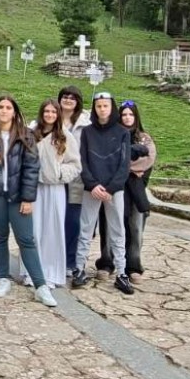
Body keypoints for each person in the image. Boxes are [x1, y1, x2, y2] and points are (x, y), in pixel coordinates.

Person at [0, 95, 57, 307]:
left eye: (8, 107)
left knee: (26, 239)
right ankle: (3, 277)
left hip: (18, 196)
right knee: (0, 237)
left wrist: (28, 198)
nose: (4, 110)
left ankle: (40, 285)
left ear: (14, 111)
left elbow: (32, 168)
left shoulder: (25, 135)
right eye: (0, 107)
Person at [71, 92, 134, 295]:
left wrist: (111, 188)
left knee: (117, 231)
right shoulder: (88, 132)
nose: (102, 109)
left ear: (111, 107)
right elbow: (83, 161)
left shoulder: (122, 132)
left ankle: (122, 273)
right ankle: (79, 268)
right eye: (98, 106)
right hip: (93, 188)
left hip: (113, 190)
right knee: (85, 229)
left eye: (105, 106)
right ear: (94, 108)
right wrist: (93, 184)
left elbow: (124, 164)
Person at [20, 99, 81, 288]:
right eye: (47, 111)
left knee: (53, 231)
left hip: (55, 189)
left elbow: (75, 164)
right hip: (35, 187)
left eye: (54, 112)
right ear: (42, 113)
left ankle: (51, 273)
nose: (50, 115)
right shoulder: (32, 133)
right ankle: (32, 272)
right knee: (34, 230)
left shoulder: (65, 136)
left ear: (58, 114)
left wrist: (59, 174)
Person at [119, 99, 156, 284]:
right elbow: (114, 158)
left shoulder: (144, 138)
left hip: (136, 187)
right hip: (118, 187)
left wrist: (126, 166)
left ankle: (133, 266)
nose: (127, 117)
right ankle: (111, 262)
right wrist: (131, 165)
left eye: (130, 114)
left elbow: (148, 160)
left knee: (135, 228)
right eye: (124, 114)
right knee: (116, 227)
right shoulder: (114, 136)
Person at [58, 85, 90, 275]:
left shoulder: (85, 124)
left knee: (72, 222)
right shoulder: (52, 118)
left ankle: (70, 261)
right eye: (65, 96)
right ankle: (54, 259)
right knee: (55, 220)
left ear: (78, 101)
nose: (68, 100)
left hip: (76, 180)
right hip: (55, 178)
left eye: (72, 97)